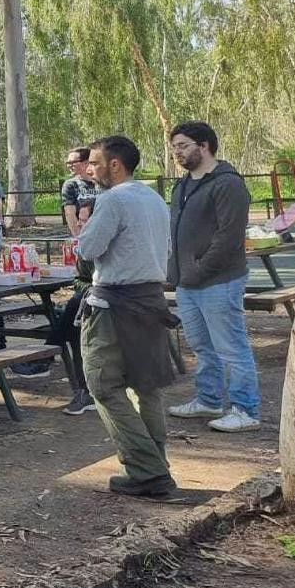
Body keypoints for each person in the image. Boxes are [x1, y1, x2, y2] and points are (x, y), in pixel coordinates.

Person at [75, 135, 179, 497]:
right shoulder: (153, 197)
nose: (90, 169)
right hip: (151, 299)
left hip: (114, 305)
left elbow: (88, 249)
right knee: (146, 386)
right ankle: (156, 465)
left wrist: (83, 229)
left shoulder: (112, 199)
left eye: (95, 163)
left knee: (103, 384)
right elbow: (164, 248)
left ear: (114, 165)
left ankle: (148, 470)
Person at [165, 120, 260, 433]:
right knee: (202, 346)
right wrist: (177, 272)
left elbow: (229, 236)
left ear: (204, 145)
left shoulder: (227, 183)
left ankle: (246, 409)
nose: (177, 153)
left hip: (219, 281)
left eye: (183, 146)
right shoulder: (183, 185)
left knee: (231, 347)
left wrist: (200, 268)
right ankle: (208, 398)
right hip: (187, 282)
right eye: (174, 147)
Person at [61, 146, 99, 236]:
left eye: (73, 162)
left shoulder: (104, 183)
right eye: (68, 163)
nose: (69, 166)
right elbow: (70, 214)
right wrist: (79, 238)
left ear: (86, 162)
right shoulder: (70, 185)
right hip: (84, 234)